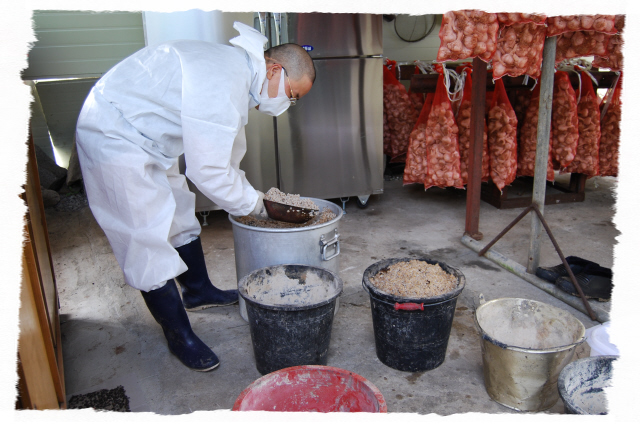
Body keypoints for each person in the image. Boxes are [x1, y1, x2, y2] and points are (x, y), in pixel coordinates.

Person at [75, 22, 315, 372]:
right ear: (274, 70)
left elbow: (226, 158)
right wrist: (260, 207)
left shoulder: (240, 77)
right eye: (292, 96)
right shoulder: (225, 78)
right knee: (144, 237)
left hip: (153, 140)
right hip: (114, 135)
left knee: (178, 212)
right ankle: (179, 336)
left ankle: (199, 291)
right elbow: (209, 172)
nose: (287, 105)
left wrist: (253, 197)